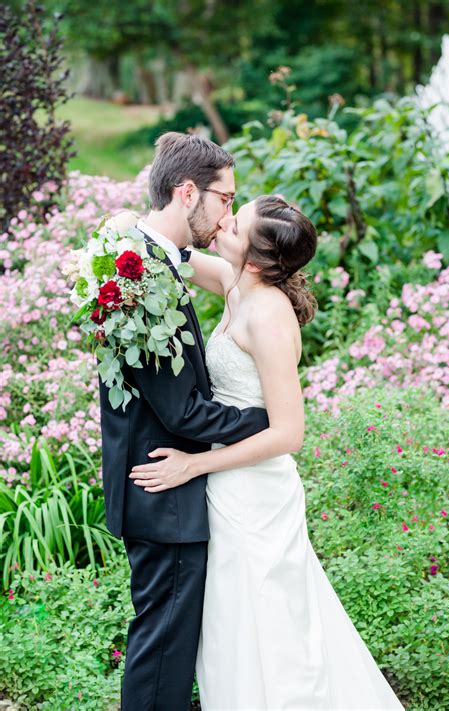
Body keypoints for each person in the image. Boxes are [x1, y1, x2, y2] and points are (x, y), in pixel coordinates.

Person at [130, 196, 405, 710]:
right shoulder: (238, 282)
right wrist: (132, 229)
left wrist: (195, 463)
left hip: (256, 496)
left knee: (271, 637)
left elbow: (289, 433)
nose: (223, 223)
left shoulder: (271, 316)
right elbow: (179, 257)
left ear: (255, 259)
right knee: (232, 635)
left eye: (235, 224)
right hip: (229, 490)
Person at [98, 132, 269, 711]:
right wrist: (267, 421)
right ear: (188, 191)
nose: (226, 216)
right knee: (163, 653)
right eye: (226, 199)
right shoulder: (143, 280)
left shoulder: (145, 259)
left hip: (158, 486)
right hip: (162, 489)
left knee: (166, 646)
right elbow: (184, 411)